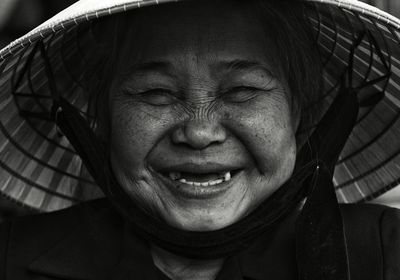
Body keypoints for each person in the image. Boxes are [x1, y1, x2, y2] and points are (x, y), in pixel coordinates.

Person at [0, 0, 399, 279]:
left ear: (297, 111)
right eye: (155, 93)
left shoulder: (382, 253)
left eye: (242, 90)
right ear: (101, 118)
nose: (199, 133)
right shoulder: (12, 258)